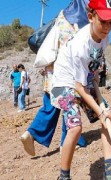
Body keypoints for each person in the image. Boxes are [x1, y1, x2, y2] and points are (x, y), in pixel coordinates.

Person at [50, 0, 111, 179]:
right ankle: (63, 176)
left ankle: (110, 168)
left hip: (83, 81)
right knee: (75, 127)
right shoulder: (80, 45)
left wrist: (95, 72)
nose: (107, 27)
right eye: (103, 21)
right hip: (65, 83)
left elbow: (95, 58)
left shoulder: (105, 38)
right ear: (90, 17)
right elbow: (78, 87)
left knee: (109, 117)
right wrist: (99, 111)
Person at [20, 0, 89, 157]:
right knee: (69, 106)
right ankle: (69, 141)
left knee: (50, 106)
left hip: (51, 71)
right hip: (66, 74)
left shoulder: (63, 16)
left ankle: (31, 133)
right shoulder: (81, 24)